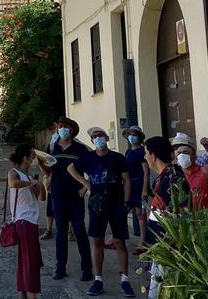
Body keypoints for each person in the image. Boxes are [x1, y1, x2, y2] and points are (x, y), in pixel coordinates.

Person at [66, 127, 135, 297]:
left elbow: (126, 180)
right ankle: (98, 279)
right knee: (97, 242)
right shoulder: (88, 158)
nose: (98, 139)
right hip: (97, 205)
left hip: (117, 203)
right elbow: (70, 168)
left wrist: (126, 202)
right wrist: (86, 184)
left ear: (106, 138)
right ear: (92, 142)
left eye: (100, 136)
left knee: (120, 242)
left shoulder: (117, 158)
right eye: (94, 137)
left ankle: (125, 280)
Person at [45, 117, 93, 281]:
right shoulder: (52, 147)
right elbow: (48, 171)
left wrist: (84, 188)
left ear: (72, 130)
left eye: (66, 127)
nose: (62, 129)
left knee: (79, 231)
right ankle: (60, 267)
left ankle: (87, 268)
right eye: (60, 127)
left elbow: (92, 169)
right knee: (61, 233)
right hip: (58, 195)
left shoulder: (80, 149)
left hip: (75, 196)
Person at [141, 136, 188, 299]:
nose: (145, 157)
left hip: (169, 248)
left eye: (146, 153)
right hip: (161, 248)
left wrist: (169, 242)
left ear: (153, 155)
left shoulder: (172, 178)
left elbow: (182, 212)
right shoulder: (165, 176)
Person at [7, 143, 47, 299]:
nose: (34, 159)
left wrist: (41, 185)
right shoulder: (14, 172)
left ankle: (23, 293)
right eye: (32, 156)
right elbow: (13, 184)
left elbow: (41, 198)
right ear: (26, 158)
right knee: (30, 261)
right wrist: (32, 183)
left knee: (27, 260)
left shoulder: (30, 176)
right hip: (23, 221)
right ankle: (31, 294)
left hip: (31, 221)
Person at [121, 126, 148, 250]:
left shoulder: (142, 151)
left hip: (138, 183)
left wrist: (145, 189)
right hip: (128, 184)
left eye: (134, 134)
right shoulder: (128, 151)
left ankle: (143, 241)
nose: (131, 136)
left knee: (140, 213)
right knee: (122, 212)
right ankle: (118, 237)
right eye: (129, 134)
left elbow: (146, 171)